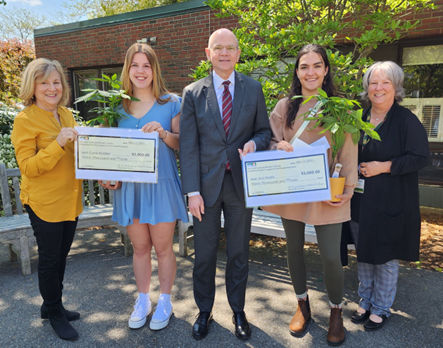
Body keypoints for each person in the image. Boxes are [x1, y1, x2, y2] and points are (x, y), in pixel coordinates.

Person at [262, 44, 358, 346]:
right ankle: (302, 303)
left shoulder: (341, 107)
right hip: (293, 187)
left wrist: (348, 189)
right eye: (304, 66)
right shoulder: (285, 106)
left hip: (328, 190)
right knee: (293, 250)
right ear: (297, 71)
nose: (311, 72)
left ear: (326, 70)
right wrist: (278, 146)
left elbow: (349, 151)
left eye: (317, 66)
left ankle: (335, 310)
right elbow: (270, 140)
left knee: (331, 256)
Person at [179, 28, 271, 341]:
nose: (224, 53)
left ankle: (238, 310)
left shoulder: (253, 88)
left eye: (230, 48)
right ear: (208, 53)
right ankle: (204, 311)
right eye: (218, 47)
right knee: (204, 254)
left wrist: (254, 145)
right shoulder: (193, 92)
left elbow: (263, 132)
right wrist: (191, 191)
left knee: (238, 254)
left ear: (238, 53)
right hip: (204, 189)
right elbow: (188, 145)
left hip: (239, 185)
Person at [99, 43, 188, 331]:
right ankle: (142, 299)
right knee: (140, 248)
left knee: (163, 248)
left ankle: (164, 300)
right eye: (135, 65)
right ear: (128, 69)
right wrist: (106, 175)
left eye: (146, 65)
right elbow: (107, 151)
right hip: (130, 189)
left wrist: (163, 133)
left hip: (161, 186)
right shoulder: (116, 107)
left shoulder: (171, 102)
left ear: (154, 69)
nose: (140, 71)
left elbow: (181, 143)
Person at [344, 61, 429, 331]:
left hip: (391, 202)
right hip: (361, 201)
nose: (378, 88)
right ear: (367, 88)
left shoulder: (406, 120)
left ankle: (381, 307)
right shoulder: (359, 119)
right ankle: (365, 300)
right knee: (365, 252)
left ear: (396, 87)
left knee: (386, 256)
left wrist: (384, 166)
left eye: (385, 83)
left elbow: (420, 157)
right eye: (373, 83)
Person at [11, 58, 82, 341]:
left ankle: (52, 303)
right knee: (50, 259)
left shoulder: (65, 114)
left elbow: (78, 156)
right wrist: (58, 143)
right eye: (44, 83)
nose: (52, 88)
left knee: (61, 256)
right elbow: (28, 167)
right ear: (33, 86)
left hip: (70, 199)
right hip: (44, 202)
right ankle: (54, 312)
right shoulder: (25, 119)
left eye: (56, 82)